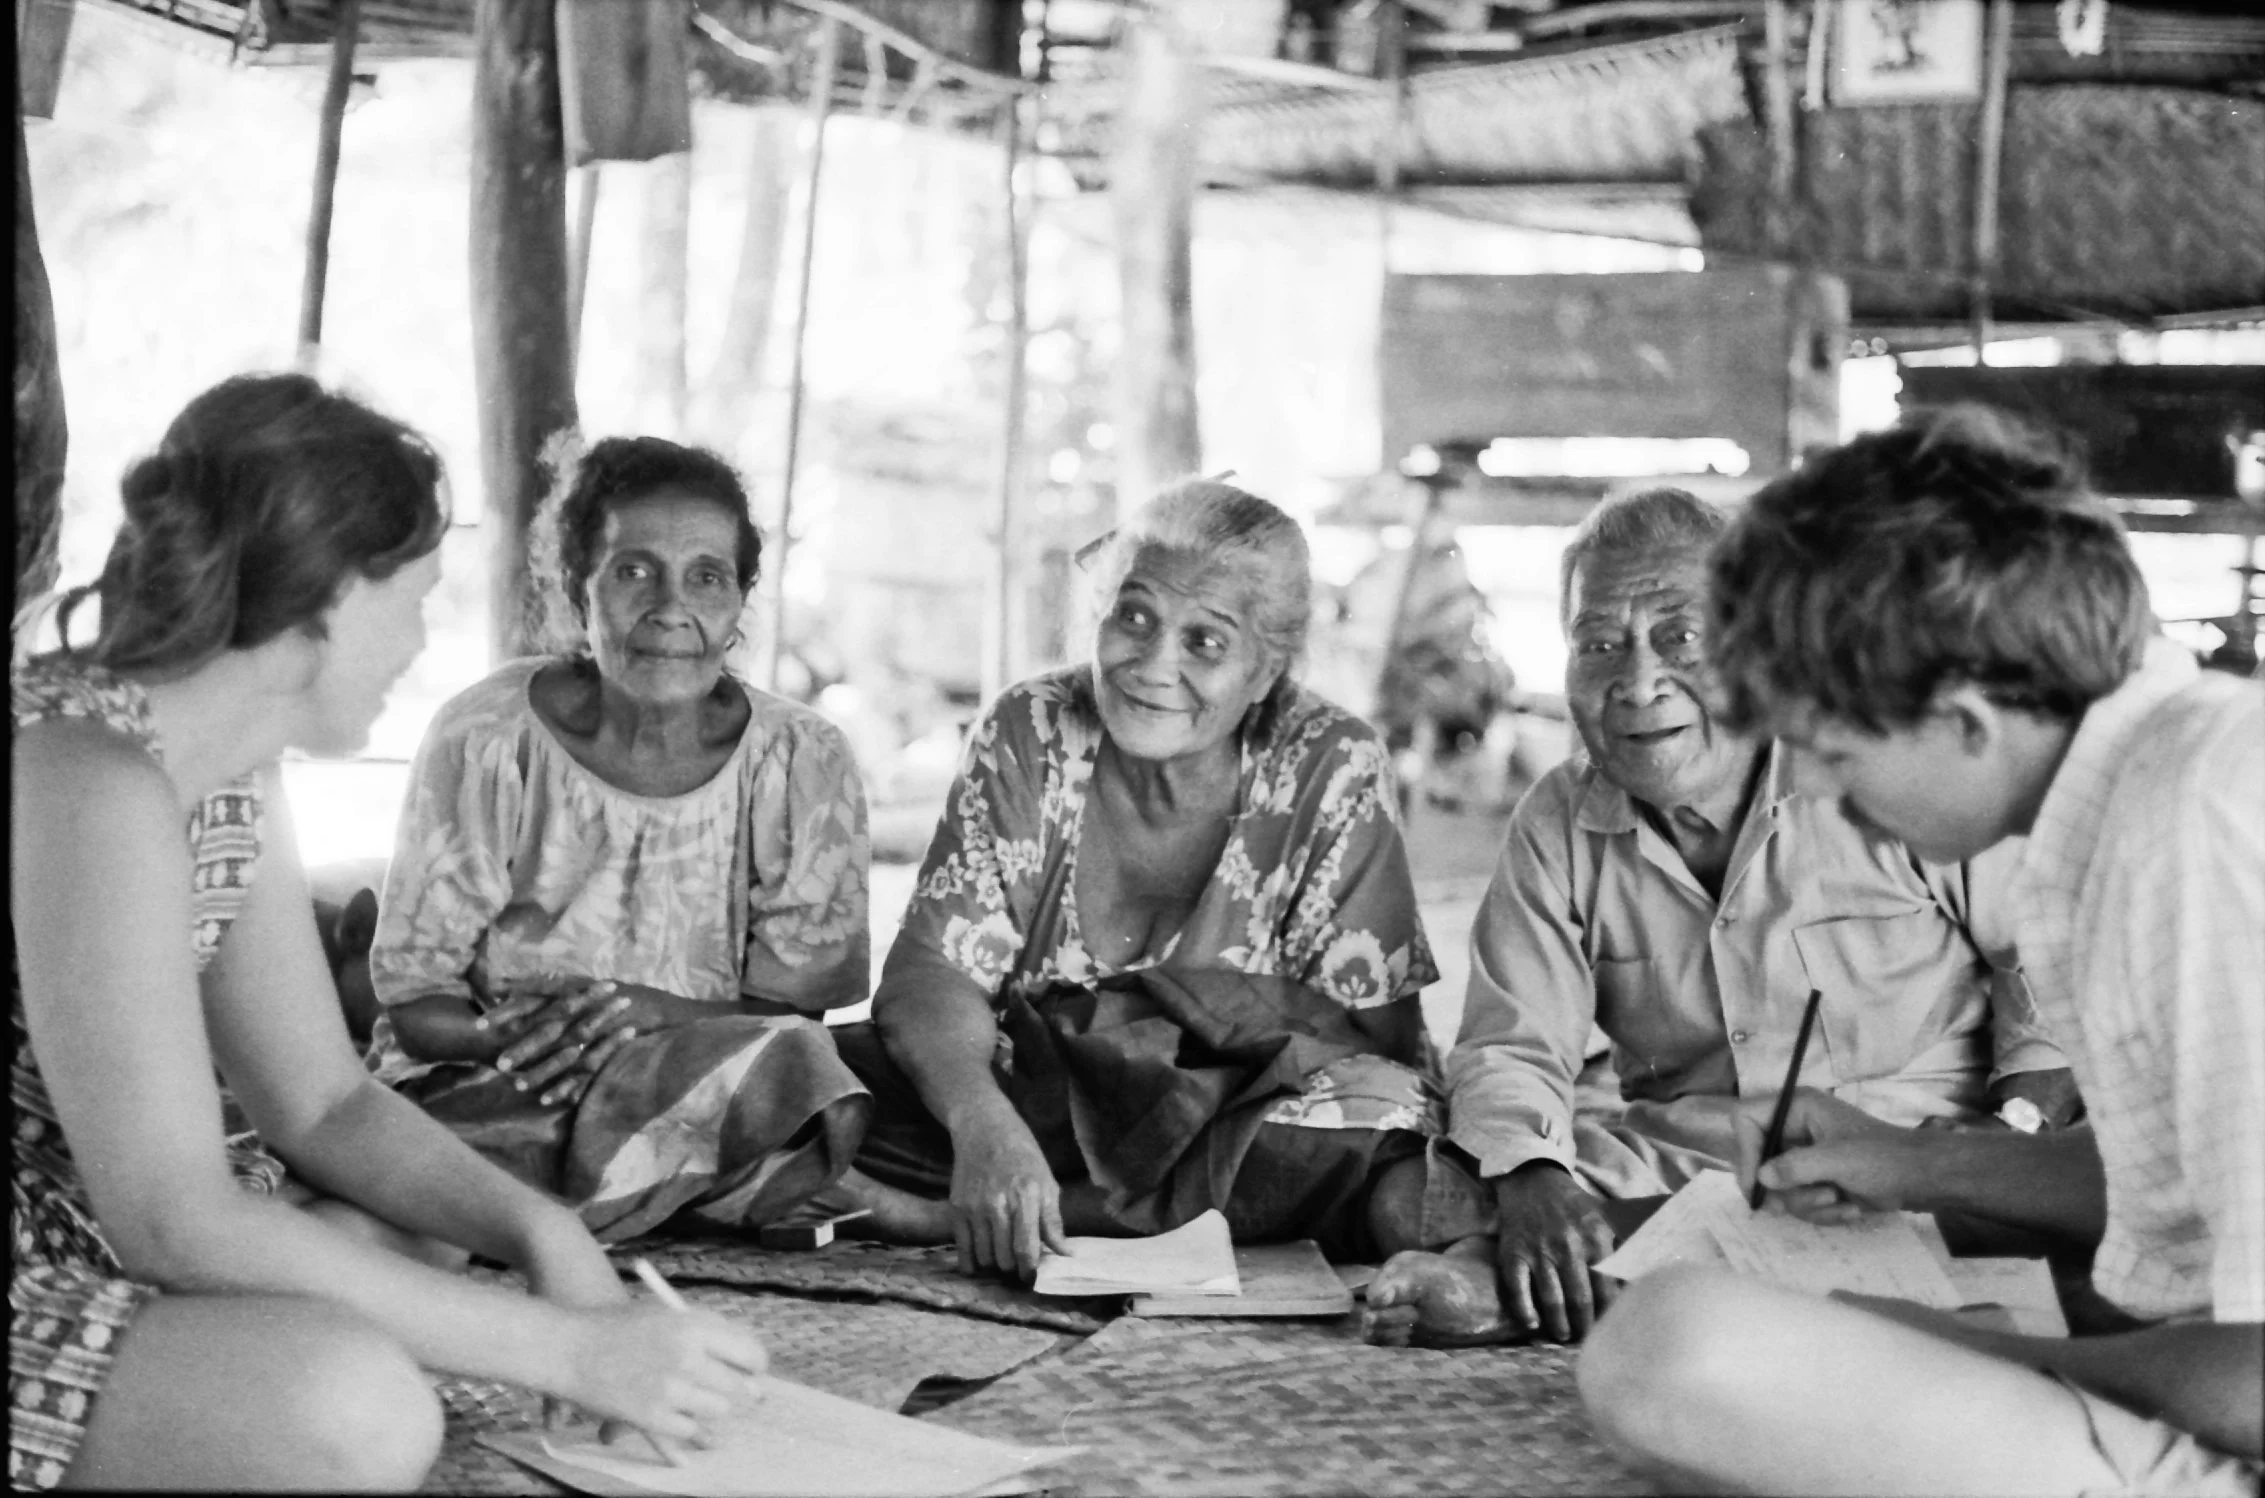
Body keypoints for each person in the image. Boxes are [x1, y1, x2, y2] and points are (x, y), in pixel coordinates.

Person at [10, 375, 767, 1492]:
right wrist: (575, 1350)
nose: (419, 642)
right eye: (411, 598)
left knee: (422, 1239)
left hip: (78, 1211)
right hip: (64, 1230)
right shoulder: (85, 772)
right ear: (319, 602)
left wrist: (544, 1238)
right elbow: (171, 1215)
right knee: (356, 1410)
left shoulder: (222, 769)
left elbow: (322, 1100)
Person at [1579, 409, 2262, 1494]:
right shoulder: (2159, 779)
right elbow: (2188, 1183)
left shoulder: (2190, 827)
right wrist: (1913, 1161)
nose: (1809, 792)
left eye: (1837, 753)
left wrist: (1980, 1352)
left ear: (1964, 719)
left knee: (1678, 1348)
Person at [1363, 486, 2077, 1348]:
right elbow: (1512, 1043)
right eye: (1597, 645)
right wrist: (1534, 1180)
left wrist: (2007, 1144)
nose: (1636, 683)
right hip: (1687, 1161)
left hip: (1911, 1152)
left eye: (1681, 635)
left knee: (2081, 1203)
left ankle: (1571, 1284)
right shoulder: (1559, 820)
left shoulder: (1877, 763)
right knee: (1419, 1196)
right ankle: (1647, 1266)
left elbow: (2050, 968)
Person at [830, 478, 1445, 1280]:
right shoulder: (1032, 727)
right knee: (794, 1076)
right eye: (1134, 617)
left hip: (1222, 1123)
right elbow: (931, 973)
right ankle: (1008, 1187)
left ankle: (946, 1217)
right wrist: (985, 1128)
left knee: (1379, 1129)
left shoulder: (1329, 762)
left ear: (1266, 670)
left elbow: (1378, 1042)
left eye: (1206, 642)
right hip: (1033, 1101)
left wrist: (1180, 1075)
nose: (1153, 664)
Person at [368, 435, 879, 1243]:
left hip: (695, 1081)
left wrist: (648, 1017)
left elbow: (792, 1022)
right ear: (577, 588)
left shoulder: (799, 759)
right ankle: (671, 1199)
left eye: (706, 577)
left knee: (804, 1072)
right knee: (411, 1125)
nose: (670, 609)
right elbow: (416, 1005)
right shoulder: (486, 735)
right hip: (511, 1084)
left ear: (741, 597)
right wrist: (511, 1040)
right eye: (633, 571)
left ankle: (518, 1218)